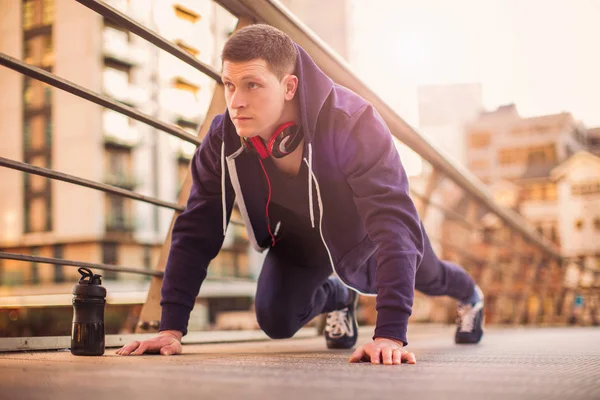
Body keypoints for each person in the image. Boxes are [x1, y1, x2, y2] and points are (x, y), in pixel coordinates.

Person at [117, 24, 485, 365]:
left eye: (253, 85)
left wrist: (389, 335)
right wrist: (170, 328)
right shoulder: (223, 137)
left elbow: (394, 227)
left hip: (365, 237)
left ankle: (471, 297)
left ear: (289, 87)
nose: (236, 102)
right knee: (275, 319)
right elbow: (197, 227)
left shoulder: (353, 122)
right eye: (229, 85)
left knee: (431, 274)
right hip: (298, 243)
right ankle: (339, 297)